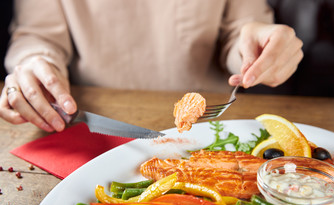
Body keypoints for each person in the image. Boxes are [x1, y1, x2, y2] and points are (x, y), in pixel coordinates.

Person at [0, 0, 303, 133]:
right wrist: (34, 66)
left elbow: (240, 31)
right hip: (92, 120)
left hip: (208, 126)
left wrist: (259, 47)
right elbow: (38, 35)